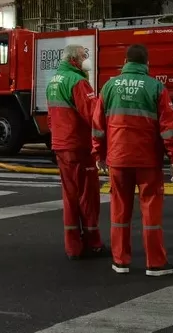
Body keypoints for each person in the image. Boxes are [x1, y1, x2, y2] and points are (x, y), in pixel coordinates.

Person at [92, 44, 173, 278]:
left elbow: (98, 125)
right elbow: (169, 126)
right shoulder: (155, 87)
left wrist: (99, 154)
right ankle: (155, 263)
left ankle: (120, 260)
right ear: (146, 64)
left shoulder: (109, 86)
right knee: (151, 211)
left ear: (125, 62)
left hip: (118, 159)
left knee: (119, 210)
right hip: (147, 160)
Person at [46, 43, 104, 260]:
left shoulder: (53, 80)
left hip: (61, 145)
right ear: (73, 60)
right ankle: (93, 242)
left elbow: (51, 117)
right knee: (88, 196)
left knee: (70, 196)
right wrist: (103, 142)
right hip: (79, 146)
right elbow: (93, 116)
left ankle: (73, 247)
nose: (85, 59)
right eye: (83, 56)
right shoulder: (78, 82)